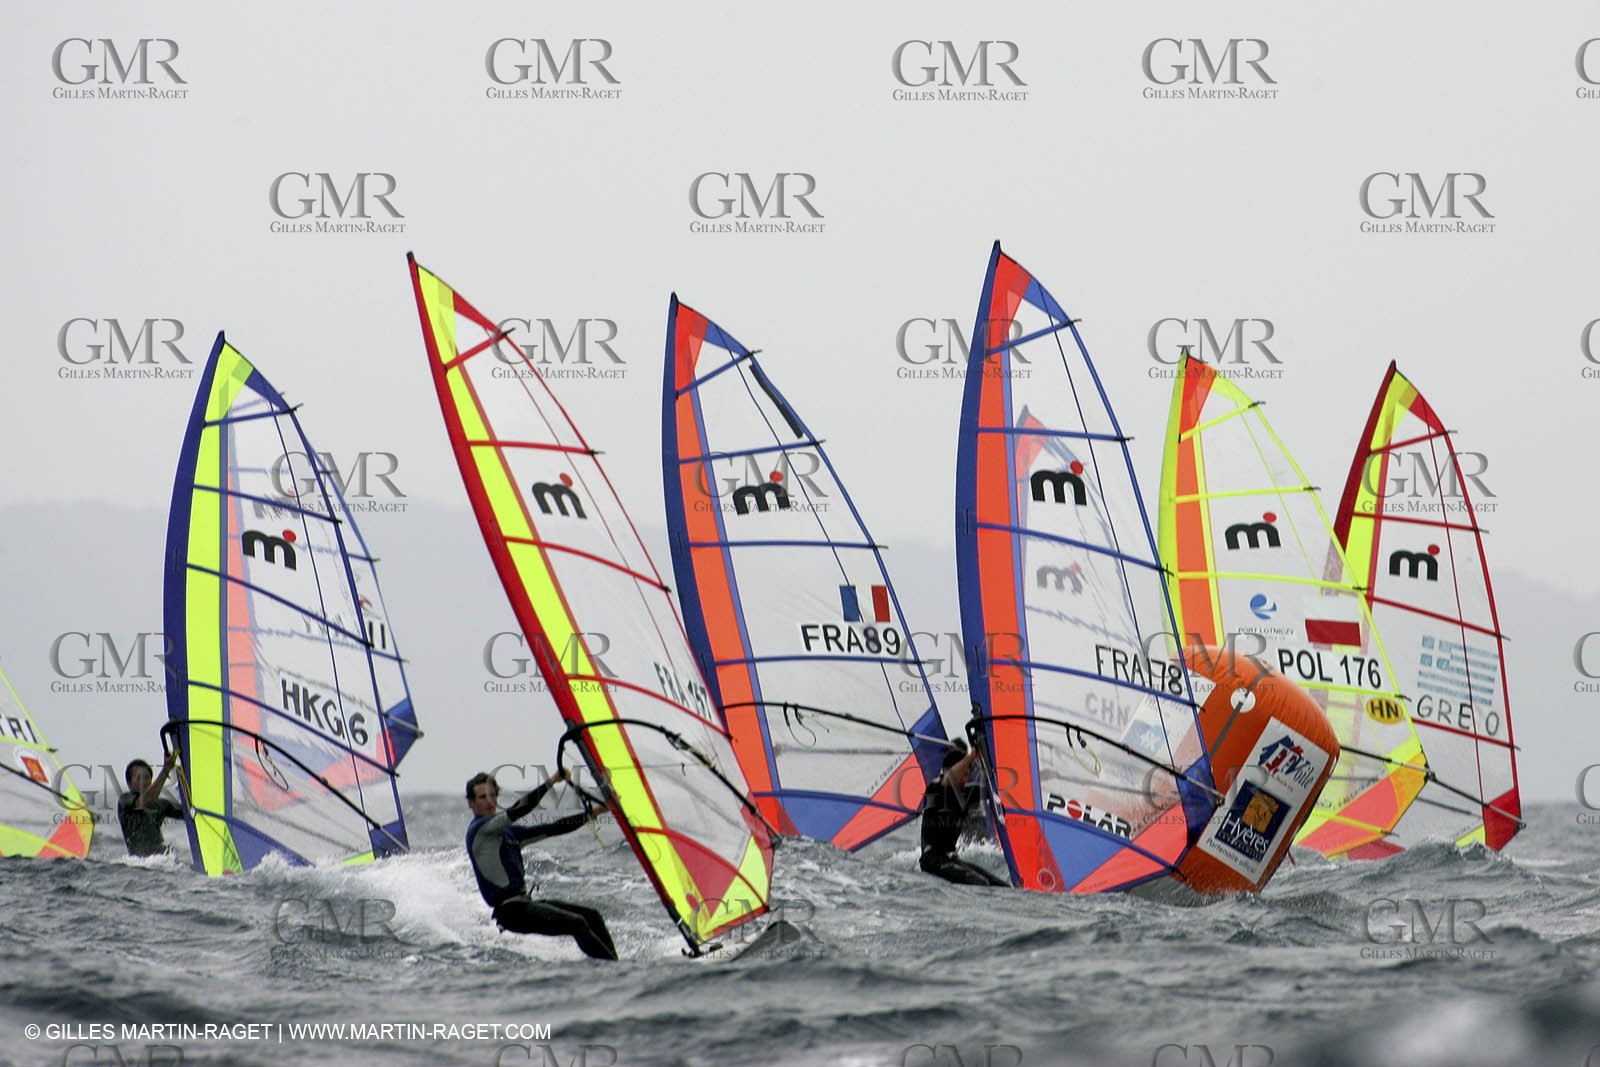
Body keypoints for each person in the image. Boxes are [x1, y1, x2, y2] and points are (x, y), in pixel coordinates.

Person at [465, 768, 618, 960]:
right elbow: (520, 810)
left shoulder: (509, 834)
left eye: (493, 796)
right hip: (510, 912)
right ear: (471, 803)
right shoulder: (479, 831)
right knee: (577, 923)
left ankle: (616, 964)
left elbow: (552, 828)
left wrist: (595, 813)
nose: (490, 802)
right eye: (482, 797)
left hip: (524, 905)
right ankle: (611, 967)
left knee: (592, 916)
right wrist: (551, 781)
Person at [919, 739, 1009, 887]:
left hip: (952, 858)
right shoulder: (934, 789)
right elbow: (950, 779)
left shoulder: (966, 793)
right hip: (931, 859)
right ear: (946, 770)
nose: (965, 778)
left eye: (968, 774)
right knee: (980, 883)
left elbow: (1001, 788)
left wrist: (1040, 777)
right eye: (963, 772)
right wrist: (974, 753)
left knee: (999, 885)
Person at [118, 750, 185, 857]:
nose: (144, 781)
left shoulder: (161, 805)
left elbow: (189, 814)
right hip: (140, 864)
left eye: (147, 778)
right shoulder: (125, 801)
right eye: (139, 778)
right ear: (129, 783)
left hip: (164, 860)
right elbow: (146, 802)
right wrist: (165, 770)